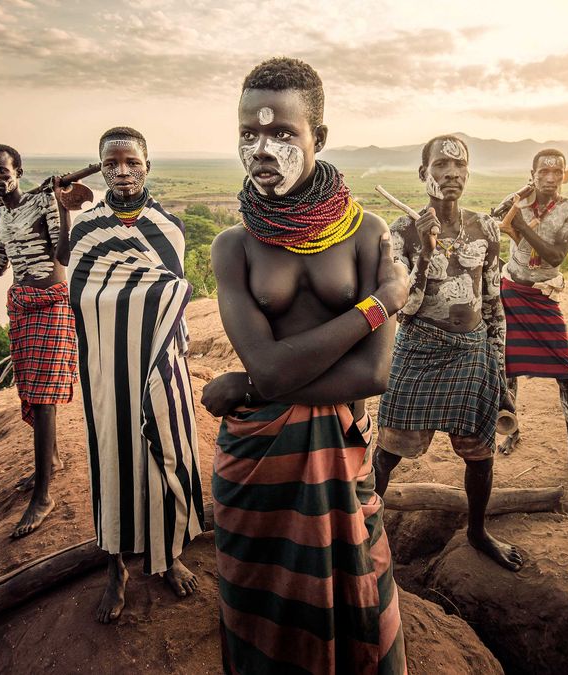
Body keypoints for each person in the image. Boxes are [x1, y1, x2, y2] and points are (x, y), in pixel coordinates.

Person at [201, 57, 408, 674]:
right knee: (263, 605)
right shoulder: (233, 246)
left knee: (361, 597)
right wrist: (376, 307)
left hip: (339, 454)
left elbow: (374, 376)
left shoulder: (366, 233)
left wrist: (263, 383)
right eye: (249, 134)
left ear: (320, 136)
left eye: (283, 134)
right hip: (258, 459)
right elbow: (265, 371)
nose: (262, 149)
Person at [56, 127, 203, 624]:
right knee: (113, 458)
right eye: (111, 163)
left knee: (165, 451)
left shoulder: (169, 228)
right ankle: (116, 565)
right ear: (100, 167)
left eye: (131, 162)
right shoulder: (85, 231)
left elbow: (173, 299)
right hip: (105, 367)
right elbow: (79, 297)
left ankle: (167, 557)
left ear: (147, 165)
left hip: (161, 363)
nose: (121, 171)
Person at [374, 135, 524, 570]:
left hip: (473, 353)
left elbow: (493, 303)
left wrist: (501, 374)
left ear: (468, 174)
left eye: (460, 166)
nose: (452, 173)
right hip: (419, 351)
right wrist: (425, 252)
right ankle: (363, 530)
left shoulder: (485, 228)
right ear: (425, 174)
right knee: (388, 451)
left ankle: (477, 532)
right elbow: (406, 306)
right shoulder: (401, 231)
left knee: (480, 454)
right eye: (441, 165)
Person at [0, 144, 79, 538]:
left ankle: (42, 497)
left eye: (1, 171)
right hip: (22, 304)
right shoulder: (0, 213)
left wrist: (63, 207)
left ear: (17, 170)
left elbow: (65, 254)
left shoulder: (43, 204)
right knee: (32, 392)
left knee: (43, 400)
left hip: (52, 303)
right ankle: (50, 462)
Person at [494, 149, 568, 479]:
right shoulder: (521, 200)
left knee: (566, 373)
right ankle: (511, 429)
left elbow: (555, 256)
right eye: (543, 171)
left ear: (565, 175)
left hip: (542, 297)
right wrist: (519, 198)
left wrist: (523, 227)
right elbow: (496, 215)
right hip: (511, 289)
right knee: (508, 367)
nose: (550, 178)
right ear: (532, 173)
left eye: (557, 172)